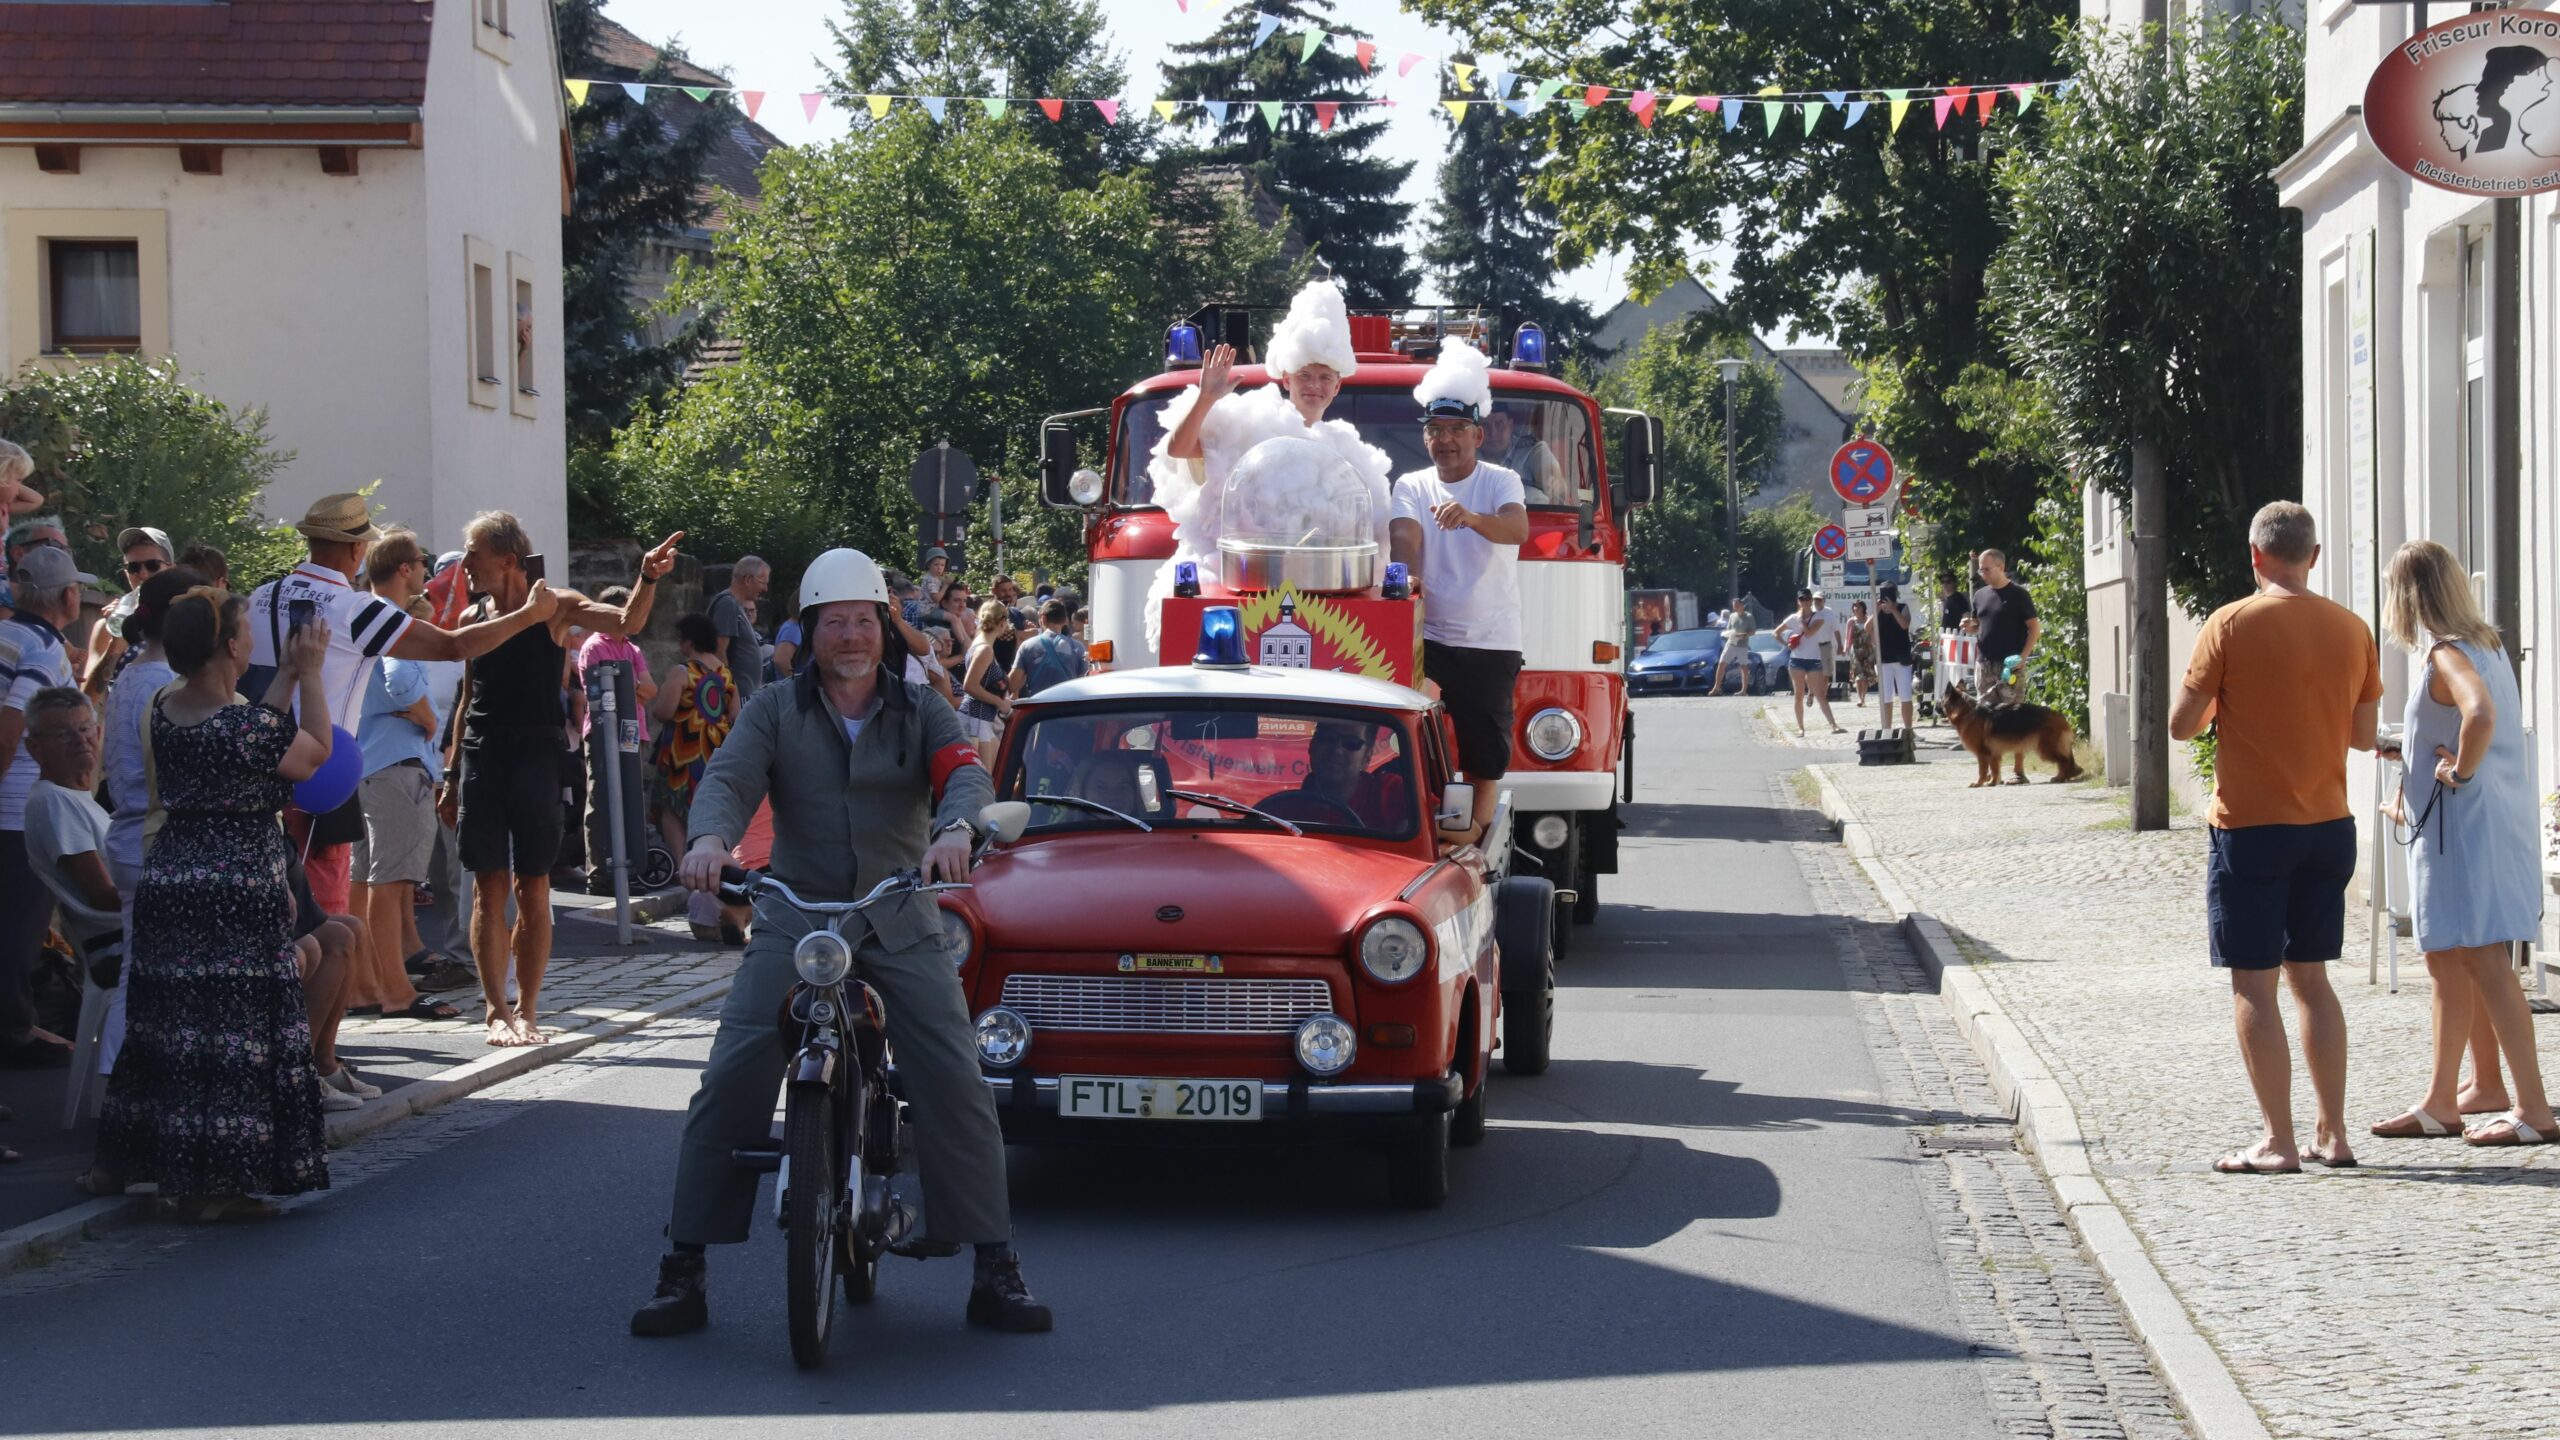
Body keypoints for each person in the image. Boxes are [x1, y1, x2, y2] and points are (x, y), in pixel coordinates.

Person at [632, 546, 1050, 1338]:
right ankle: (683, 1268)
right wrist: (712, 840)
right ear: (812, 629)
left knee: (954, 1076)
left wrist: (957, 830)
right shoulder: (774, 710)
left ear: (883, 628)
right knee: (732, 1073)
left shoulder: (919, 704)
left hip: (897, 911)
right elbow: (727, 777)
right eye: (835, 622)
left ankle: (996, 1265)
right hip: (793, 913)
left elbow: (965, 771)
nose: (851, 636)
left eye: (864, 620)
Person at [90, 588, 337, 1221]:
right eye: (245, 629)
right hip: (235, 887)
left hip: (173, 879)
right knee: (234, 1032)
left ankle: (133, 1162)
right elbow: (311, 752)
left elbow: (248, 739)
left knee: (171, 1025)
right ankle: (216, 1187)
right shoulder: (246, 727)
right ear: (230, 646)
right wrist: (310, 674)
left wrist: (282, 676)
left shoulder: (166, 708)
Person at [2168, 502, 2383, 1175]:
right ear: (2312, 556)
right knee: (2313, 980)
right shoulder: (2352, 628)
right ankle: (2335, 1133)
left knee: (2254, 986)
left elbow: (2182, 725)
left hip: (2252, 827)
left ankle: (2278, 1141)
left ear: (2255, 556)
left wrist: (2224, 708)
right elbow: (2363, 737)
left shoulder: (2230, 624)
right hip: (2329, 825)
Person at [246, 495, 563, 930]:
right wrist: (529, 617)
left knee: (264, 910)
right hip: (320, 774)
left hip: (254, 765)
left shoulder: (261, 597)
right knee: (320, 919)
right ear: (358, 550)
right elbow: (453, 645)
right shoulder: (354, 608)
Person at [443, 512, 678, 1047]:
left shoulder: (555, 606)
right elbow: (466, 699)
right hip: (483, 757)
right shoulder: (470, 615)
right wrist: (453, 773)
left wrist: (649, 577)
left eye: (472, 552)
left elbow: (625, 623)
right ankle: (495, 1011)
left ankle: (527, 1010)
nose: (464, 563)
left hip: (536, 757)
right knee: (487, 888)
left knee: (533, 888)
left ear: (506, 559)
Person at [2366, 540, 2553, 1148]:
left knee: (2481, 961)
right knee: (2452, 960)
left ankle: (2533, 1109)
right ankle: (2459, 1095)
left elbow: (2480, 715)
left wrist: (2456, 772)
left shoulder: (2447, 653)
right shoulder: (2486, 644)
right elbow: (2470, 721)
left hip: (2460, 834)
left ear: (2408, 596)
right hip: (2482, 828)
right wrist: (2416, 754)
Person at [1147, 278, 1396, 650]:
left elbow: (1374, 540)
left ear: (1337, 385)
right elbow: (1180, 450)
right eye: (1305, 376)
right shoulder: (1248, 419)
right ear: (1285, 378)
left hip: (1324, 605)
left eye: (1324, 377)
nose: (1315, 386)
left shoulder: (1351, 451)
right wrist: (1206, 399)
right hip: (1234, 596)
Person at [1387, 337, 1528, 847]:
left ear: (1477, 434)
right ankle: (1420, 822)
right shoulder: (1412, 484)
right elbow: (1404, 536)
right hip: (1429, 635)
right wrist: (1408, 576)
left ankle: (1476, 836)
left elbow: (1517, 531)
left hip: (1491, 636)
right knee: (1409, 733)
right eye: (1435, 431)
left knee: (1484, 742)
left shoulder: (1501, 480)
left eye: (1454, 431)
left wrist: (1470, 518)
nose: (1444, 440)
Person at [347, 531, 464, 1023]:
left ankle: (367, 984)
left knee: (366, 879)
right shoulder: (391, 620)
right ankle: (396, 991)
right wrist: (428, 716)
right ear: (403, 570)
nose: (424, 570)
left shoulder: (359, 613)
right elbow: (400, 683)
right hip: (395, 768)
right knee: (391, 883)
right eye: (420, 562)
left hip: (368, 765)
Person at [0, 544, 90, 1067]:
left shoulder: (7, 634)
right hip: (14, 812)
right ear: (70, 595)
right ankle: (13, 1033)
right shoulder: (44, 648)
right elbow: (14, 725)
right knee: (18, 930)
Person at [22, 689, 122, 1095]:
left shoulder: (82, 799)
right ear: (35, 748)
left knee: (324, 939)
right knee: (288, 954)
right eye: (64, 735)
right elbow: (101, 896)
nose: (81, 740)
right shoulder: (54, 802)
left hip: (130, 930)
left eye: (85, 729)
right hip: (115, 944)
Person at [649, 614, 735, 944]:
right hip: (715, 755)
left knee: (672, 813)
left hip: (683, 754)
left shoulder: (683, 671)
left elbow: (664, 711)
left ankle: (690, 881)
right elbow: (736, 716)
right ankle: (709, 887)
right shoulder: (726, 676)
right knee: (707, 820)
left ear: (688, 640)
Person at [571, 588, 657, 893]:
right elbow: (602, 693)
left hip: (632, 730)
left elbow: (651, 690)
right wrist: (633, 686)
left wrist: (628, 684)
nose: (630, 620)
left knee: (630, 798)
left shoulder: (632, 650)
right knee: (602, 799)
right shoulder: (594, 647)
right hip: (602, 733)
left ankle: (626, 869)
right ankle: (600, 873)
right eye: (624, 613)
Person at [1262, 720, 1410, 829]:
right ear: (1312, 746)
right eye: (1327, 738)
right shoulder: (1282, 809)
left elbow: (1432, 818)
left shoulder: (1388, 792)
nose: (1337, 750)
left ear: (1367, 757)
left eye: (1351, 743)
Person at [81, 526, 172, 700]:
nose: (143, 574)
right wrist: (115, 644)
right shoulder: (108, 627)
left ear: (171, 568)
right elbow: (87, 701)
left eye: (152, 565)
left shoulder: (189, 620)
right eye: (134, 567)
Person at [1970, 549, 2040, 703]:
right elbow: (1978, 625)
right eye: (1981, 570)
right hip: (1984, 665)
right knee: (1985, 717)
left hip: (2010, 665)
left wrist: (2023, 658)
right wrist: (1970, 627)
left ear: (2001, 567)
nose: (1983, 574)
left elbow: (2034, 628)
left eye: (1987, 569)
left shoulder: (2019, 595)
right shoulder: (1979, 595)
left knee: (2012, 717)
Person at [1774, 589, 1842, 737]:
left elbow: (1810, 632)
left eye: (1807, 599)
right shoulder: (1792, 618)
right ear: (1798, 601)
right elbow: (1776, 632)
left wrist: (1801, 621)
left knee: (1819, 693)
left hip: (1814, 659)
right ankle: (1800, 728)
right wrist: (1787, 644)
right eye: (1802, 599)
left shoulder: (1819, 616)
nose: (1805, 601)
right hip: (1796, 660)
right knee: (1798, 694)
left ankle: (1833, 724)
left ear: (1811, 601)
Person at [959, 599, 1017, 766]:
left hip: (979, 720)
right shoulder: (985, 649)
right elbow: (970, 686)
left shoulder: (980, 645)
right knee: (985, 780)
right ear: (1002, 621)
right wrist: (1000, 702)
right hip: (976, 721)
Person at [707, 556, 768, 707]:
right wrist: (729, 692)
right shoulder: (727, 604)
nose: (765, 589)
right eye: (763, 582)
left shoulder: (734, 605)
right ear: (748, 579)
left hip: (743, 695)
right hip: (736, 698)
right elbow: (719, 652)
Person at [1482, 403, 1567, 505]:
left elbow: (1551, 474)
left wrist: (1552, 481)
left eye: (1499, 424)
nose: (1493, 433)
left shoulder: (1531, 449)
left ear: (1510, 424)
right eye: (1485, 425)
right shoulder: (1467, 453)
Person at [1009, 598, 1089, 699]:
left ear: (1043, 618)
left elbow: (1013, 684)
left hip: (1039, 707)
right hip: (1068, 706)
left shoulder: (1027, 646)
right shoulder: (1077, 647)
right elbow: (1083, 682)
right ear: (1065, 621)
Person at [1874, 582, 1916, 731]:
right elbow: (1868, 627)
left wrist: (1893, 610)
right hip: (1884, 660)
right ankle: (1887, 729)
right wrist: (1877, 609)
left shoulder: (1902, 608)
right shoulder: (1878, 611)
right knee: (1886, 697)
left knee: (1905, 695)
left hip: (1901, 658)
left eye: (1890, 592)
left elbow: (1905, 625)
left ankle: (1908, 729)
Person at [1705, 598, 1756, 697]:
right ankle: (1716, 688)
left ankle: (1744, 690)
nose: (1735, 608)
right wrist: (1727, 634)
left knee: (1743, 666)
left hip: (1742, 645)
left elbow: (1753, 631)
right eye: (1734, 606)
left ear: (1742, 605)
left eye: (1737, 605)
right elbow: (1729, 629)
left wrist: (1744, 635)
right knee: (1721, 663)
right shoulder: (1732, 616)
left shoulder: (1749, 617)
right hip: (1731, 643)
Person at [0, 438, 45, 520]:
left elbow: (36, 501)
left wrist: (11, 486)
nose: (20, 487)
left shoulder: (3, 506)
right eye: (18, 480)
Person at [1847, 600, 1878, 706]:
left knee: (1865, 675)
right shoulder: (1851, 621)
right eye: (1854, 607)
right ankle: (1860, 698)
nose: (1856, 609)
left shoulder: (1869, 620)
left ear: (1863, 609)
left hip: (1867, 650)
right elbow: (1848, 636)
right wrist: (1846, 648)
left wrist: (1875, 646)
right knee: (1858, 675)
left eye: (1858, 607)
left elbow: (1873, 634)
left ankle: (1863, 697)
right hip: (1855, 650)